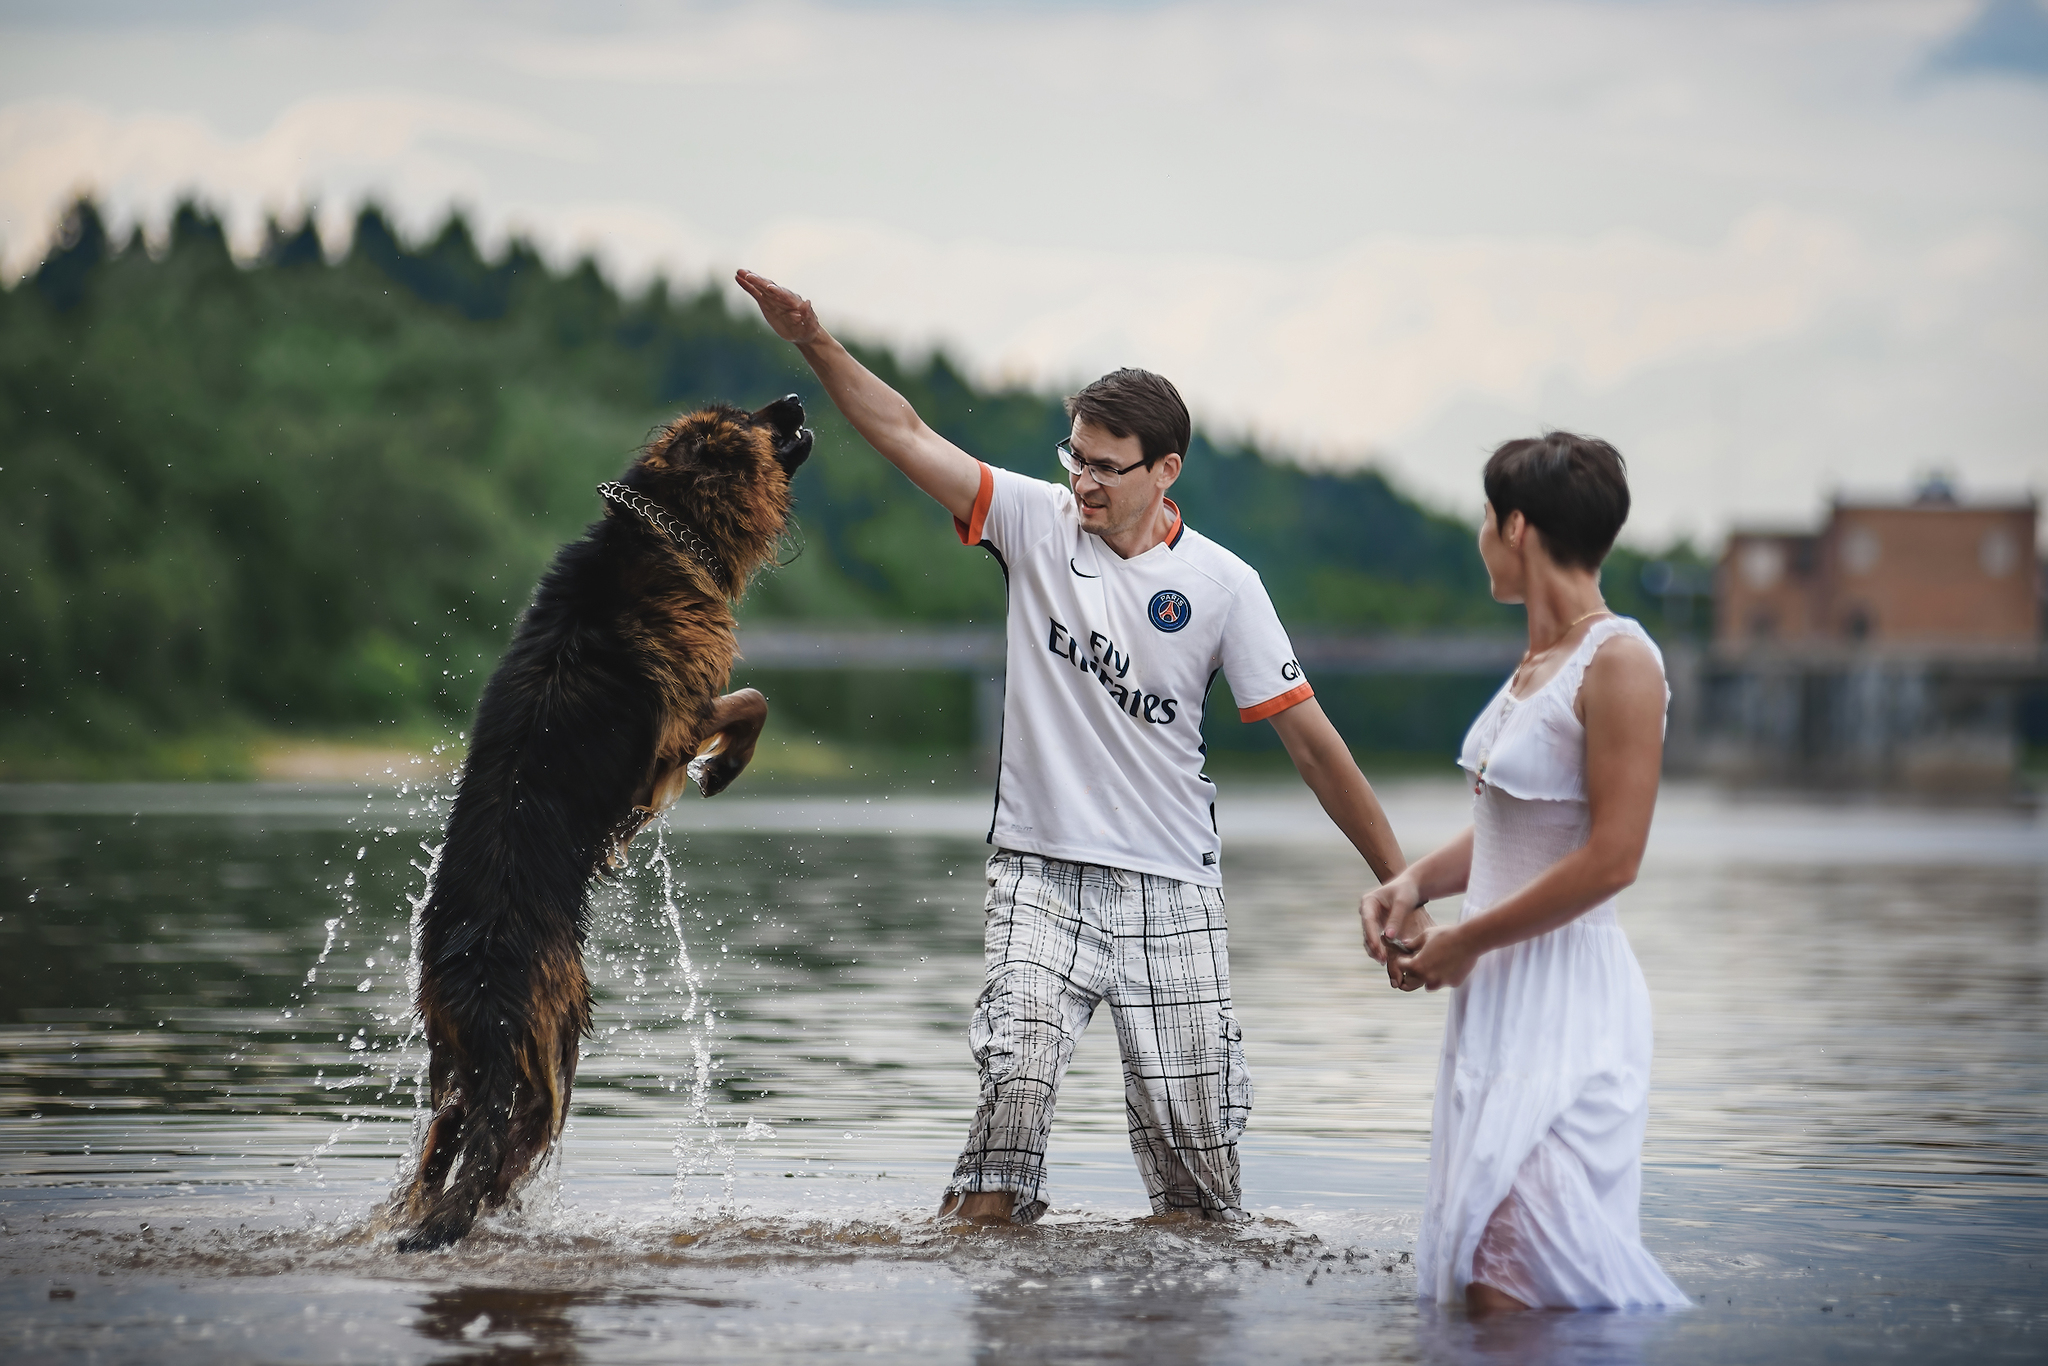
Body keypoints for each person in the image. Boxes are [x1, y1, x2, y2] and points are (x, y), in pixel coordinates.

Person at [736, 268, 1406, 1224]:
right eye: (1075, 457)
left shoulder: (1224, 586)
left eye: (1105, 465)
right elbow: (905, 433)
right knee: (1011, 1097)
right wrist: (813, 339)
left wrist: (1397, 877)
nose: (1082, 481)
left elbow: (1311, 744)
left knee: (1198, 1186)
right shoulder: (1033, 521)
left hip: (1171, 886)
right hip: (1038, 878)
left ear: (1165, 469)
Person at [1359, 432, 1691, 1312]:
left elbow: (1613, 857)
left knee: (1513, 1265)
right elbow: (1513, 828)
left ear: (1515, 526)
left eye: (1483, 517)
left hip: (1569, 998)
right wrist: (1415, 886)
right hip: (1498, 995)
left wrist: (1466, 938)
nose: (1480, 535)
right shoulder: (1533, 665)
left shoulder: (1621, 660)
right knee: (1480, 1270)